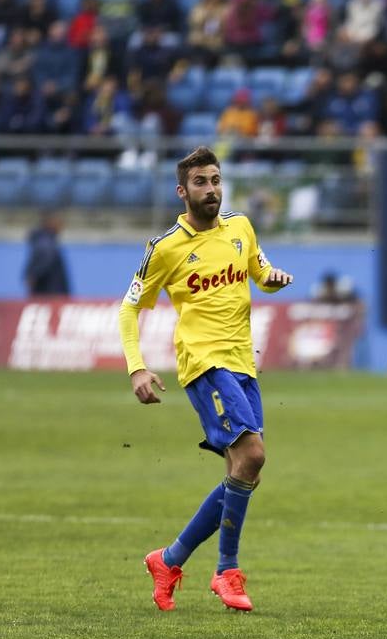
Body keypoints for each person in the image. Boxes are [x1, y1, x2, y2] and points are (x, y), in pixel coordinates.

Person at [119, 146, 294, 613]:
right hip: (202, 362)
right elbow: (129, 307)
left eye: (216, 180)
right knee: (253, 455)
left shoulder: (240, 226)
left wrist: (273, 278)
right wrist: (137, 365)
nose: (211, 189)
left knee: (244, 471)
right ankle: (226, 572)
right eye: (201, 182)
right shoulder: (165, 248)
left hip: (242, 362)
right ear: (183, 191)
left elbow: (258, 271)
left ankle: (169, 559)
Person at [24, 213, 71, 296]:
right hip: (50, 294)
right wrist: (34, 275)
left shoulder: (44, 241)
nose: (60, 226)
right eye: (57, 222)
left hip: (45, 294)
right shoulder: (46, 242)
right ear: (49, 223)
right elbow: (44, 260)